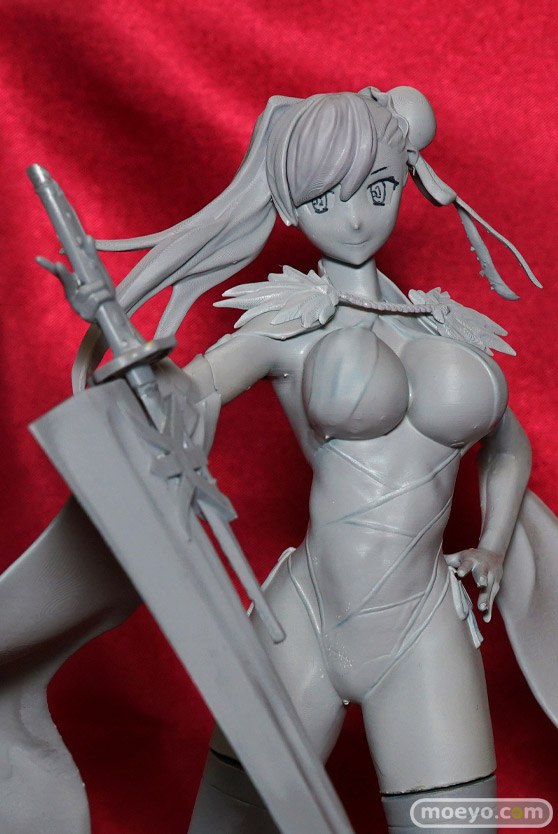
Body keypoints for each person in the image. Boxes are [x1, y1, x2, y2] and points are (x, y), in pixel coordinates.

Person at [1, 86, 556, 834]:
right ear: (291, 208)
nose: (354, 218)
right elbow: (184, 397)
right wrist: (133, 368)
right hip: (304, 619)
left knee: (455, 823)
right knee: (232, 824)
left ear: (407, 178)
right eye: (324, 199)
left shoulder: (448, 326)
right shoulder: (287, 321)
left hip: (424, 620)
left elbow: (508, 442)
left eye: (377, 189)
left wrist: (492, 545)